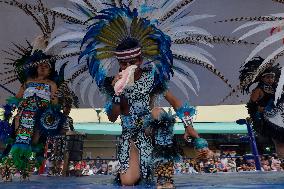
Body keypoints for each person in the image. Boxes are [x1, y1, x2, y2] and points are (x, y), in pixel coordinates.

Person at [241, 57, 284, 157]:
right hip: (268, 120)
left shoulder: (278, 88)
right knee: (279, 141)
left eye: (272, 77)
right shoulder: (258, 90)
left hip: (280, 117)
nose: (270, 79)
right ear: (262, 78)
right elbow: (251, 106)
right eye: (267, 77)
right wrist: (259, 109)